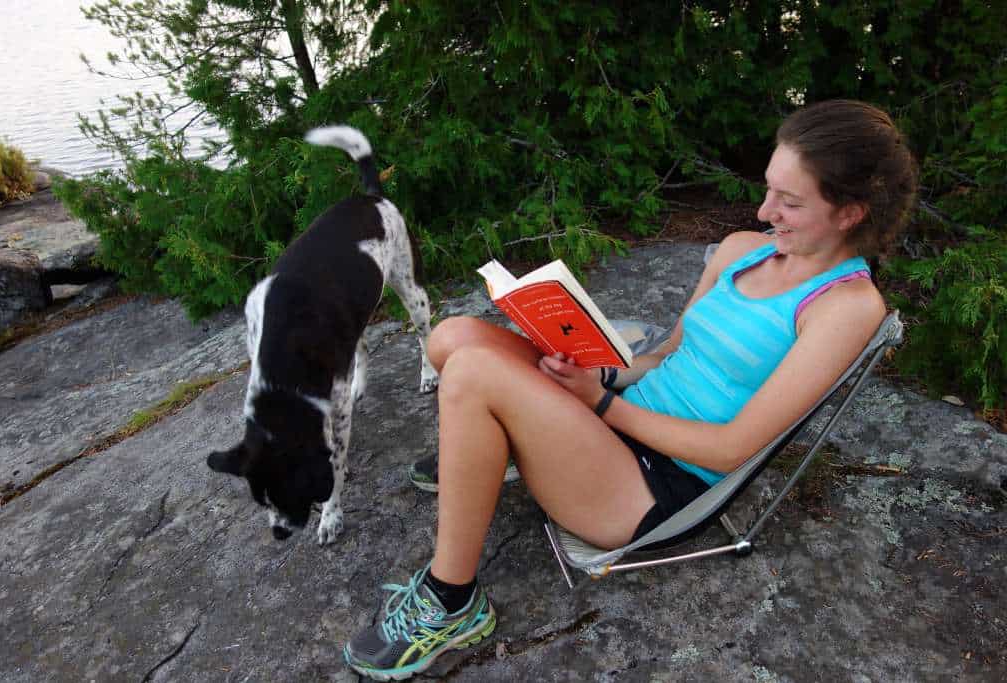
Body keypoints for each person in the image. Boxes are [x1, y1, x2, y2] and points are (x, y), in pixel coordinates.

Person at [342, 99, 918, 680]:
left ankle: (451, 601)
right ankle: (489, 447)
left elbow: (730, 448)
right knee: (453, 336)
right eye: (769, 189)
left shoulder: (845, 306)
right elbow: (669, 354)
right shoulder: (745, 249)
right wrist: (597, 376)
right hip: (614, 421)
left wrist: (601, 404)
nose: (766, 210)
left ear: (850, 214)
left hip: (655, 482)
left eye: (790, 202)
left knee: (470, 373)